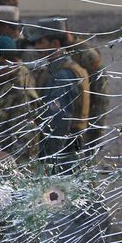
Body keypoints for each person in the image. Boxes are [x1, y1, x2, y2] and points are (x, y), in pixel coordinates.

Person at [28, 28, 90, 173]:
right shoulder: (66, 69)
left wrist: (48, 158)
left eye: (41, 42)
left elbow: (58, 120)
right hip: (70, 149)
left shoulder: (63, 75)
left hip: (63, 152)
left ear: (55, 43)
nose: (37, 48)